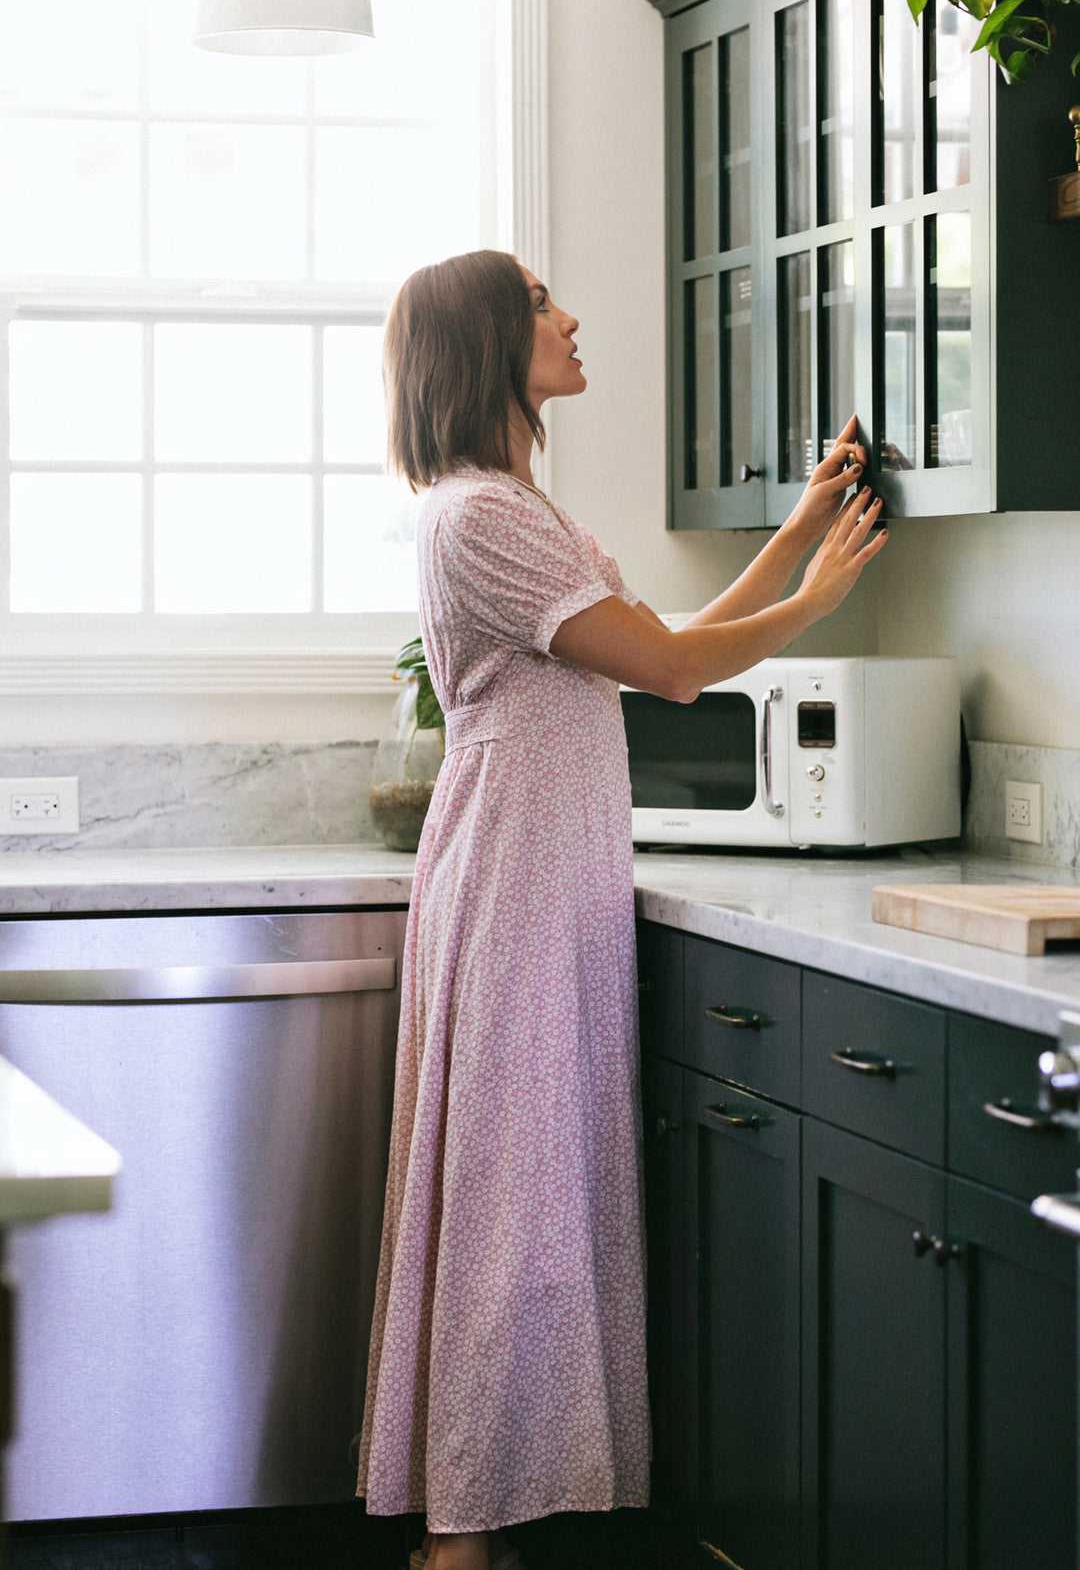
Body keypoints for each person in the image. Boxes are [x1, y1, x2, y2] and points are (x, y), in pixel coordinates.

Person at [354, 250, 886, 1570]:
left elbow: (674, 633)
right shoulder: (484, 516)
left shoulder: (504, 509)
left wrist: (804, 528)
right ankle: (461, 1538)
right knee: (512, 1201)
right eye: (541, 302)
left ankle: (478, 1516)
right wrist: (824, 595)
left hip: (540, 872)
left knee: (525, 1191)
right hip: (522, 877)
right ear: (485, 341)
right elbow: (671, 668)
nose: (573, 316)